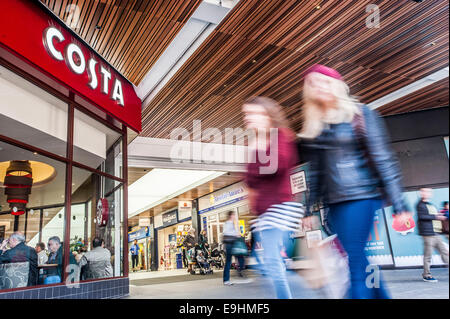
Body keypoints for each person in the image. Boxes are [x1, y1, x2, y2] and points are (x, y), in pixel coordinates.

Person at [298, 64, 412, 299]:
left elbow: (384, 160)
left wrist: (400, 206)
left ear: (336, 85)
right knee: (359, 257)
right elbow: (317, 172)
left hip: (361, 197)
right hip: (334, 205)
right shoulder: (318, 126)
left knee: (354, 262)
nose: (318, 86)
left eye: (323, 80)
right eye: (312, 83)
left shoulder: (361, 114)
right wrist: (308, 209)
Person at [243, 96, 303, 298]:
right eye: (247, 114)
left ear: (268, 116)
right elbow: (249, 180)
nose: (249, 118)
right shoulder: (254, 143)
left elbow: (277, 165)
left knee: (273, 263)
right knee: (272, 263)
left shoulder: (281, 136)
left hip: (281, 208)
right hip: (265, 213)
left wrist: (257, 155)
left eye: (254, 114)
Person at [416, 188, 449, 282]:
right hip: (428, 234)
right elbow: (422, 217)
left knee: (444, 252)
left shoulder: (430, 205)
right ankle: (426, 275)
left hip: (436, 233)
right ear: (421, 193)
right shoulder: (420, 205)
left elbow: (431, 215)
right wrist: (436, 216)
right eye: (424, 191)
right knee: (428, 255)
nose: (427, 193)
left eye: (428, 192)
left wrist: (438, 215)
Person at [222, 210, 248, 286]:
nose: (235, 217)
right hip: (229, 244)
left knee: (240, 256)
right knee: (228, 261)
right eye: (234, 215)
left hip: (233, 244)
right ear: (230, 216)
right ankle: (226, 280)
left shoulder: (233, 223)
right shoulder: (227, 223)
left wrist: (237, 227)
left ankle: (240, 271)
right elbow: (226, 232)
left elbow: (238, 232)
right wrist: (235, 234)